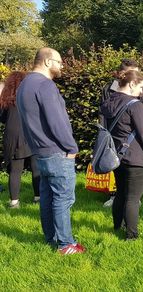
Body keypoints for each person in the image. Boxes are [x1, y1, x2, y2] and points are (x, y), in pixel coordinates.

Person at [16, 47, 85, 255]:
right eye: (59, 62)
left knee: (47, 197)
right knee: (63, 199)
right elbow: (57, 121)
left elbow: (26, 122)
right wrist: (71, 147)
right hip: (57, 151)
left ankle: (51, 238)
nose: (61, 66)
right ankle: (65, 244)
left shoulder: (24, 85)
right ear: (47, 62)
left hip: (40, 152)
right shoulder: (45, 85)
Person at [100, 70, 143, 240]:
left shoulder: (108, 102)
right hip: (137, 157)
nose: (141, 92)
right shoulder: (135, 105)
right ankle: (131, 235)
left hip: (117, 156)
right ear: (131, 84)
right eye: (140, 87)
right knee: (133, 198)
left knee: (120, 193)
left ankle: (117, 226)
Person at [101, 59, 143, 207]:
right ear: (122, 74)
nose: (137, 76)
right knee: (116, 164)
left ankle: (135, 198)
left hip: (138, 134)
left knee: (137, 166)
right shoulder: (108, 89)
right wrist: (103, 135)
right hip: (116, 136)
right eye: (134, 72)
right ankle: (115, 196)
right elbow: (103, 114)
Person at [0, 71, 41, 208]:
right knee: (36, 168)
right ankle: (38, 197)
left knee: (15, 170)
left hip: (13, 135)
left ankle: (14, 202)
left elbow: (2, 118)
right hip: (31, 133)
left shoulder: (6, 98)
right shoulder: (31, 95)